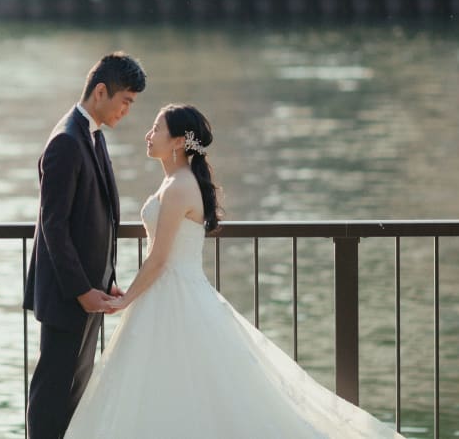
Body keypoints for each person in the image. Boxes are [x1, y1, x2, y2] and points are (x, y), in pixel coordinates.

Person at [63, 104, 406, 438]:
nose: (148, 135)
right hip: (169, 294)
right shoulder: (176, 182)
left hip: (174, 295)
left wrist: (123, 301)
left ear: (179, 142)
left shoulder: (179, 187)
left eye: (157, 129)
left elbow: (159, 259)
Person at [23, 52, 147, 439]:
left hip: (89, 293)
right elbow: (53, 225)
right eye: (124, 100)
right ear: (100, 91)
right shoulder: (66, 140)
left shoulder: (90, 134)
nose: (127, 110)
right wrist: (80, 290)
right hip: (68, 297)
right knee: (53, 397)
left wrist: (104, 280)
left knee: (73, 396)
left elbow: (96, 218)